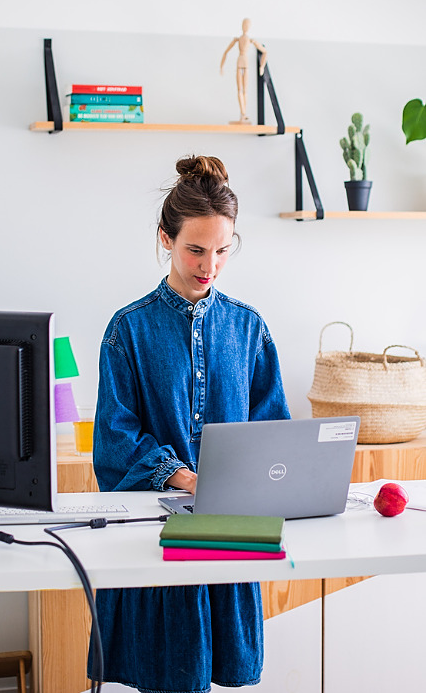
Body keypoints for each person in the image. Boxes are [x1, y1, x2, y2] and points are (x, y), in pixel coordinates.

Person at [87, 154, 290, 693]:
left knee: (224, 673)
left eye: (222, 251)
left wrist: (262, 477)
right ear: (165, 238)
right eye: (195, 249)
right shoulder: (126, 330)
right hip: (155, 535)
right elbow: (113, 440)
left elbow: (275, 433)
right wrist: (187, 478)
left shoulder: (250, 330)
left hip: (232, 535)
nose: (209, 265)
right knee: (164, 671)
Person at [220, 18, 267, 123]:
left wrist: (262, 66)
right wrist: (221, 66)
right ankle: (243, 113)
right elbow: (225, 52)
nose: (245, 27)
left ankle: (244, 113)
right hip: (240, 62)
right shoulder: (237, 40)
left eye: (247, 25)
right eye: (244, 25)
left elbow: (265, 52)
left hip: (245, 63)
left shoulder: (252, 40)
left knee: (244, 90)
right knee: (240, 90)